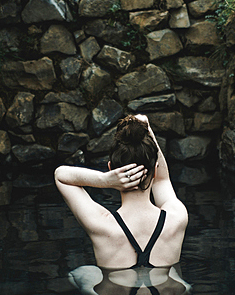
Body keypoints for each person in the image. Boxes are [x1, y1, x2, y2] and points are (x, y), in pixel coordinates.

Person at [53, 113, 188, 269]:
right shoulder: (176, 217)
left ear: (111, 168)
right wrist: (147, 129)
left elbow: (60, 176)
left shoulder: (101, 224)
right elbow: (162, 180)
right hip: (162, 293)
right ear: (155, 170)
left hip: (121, 293)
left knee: (83, 272)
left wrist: (105, 180)